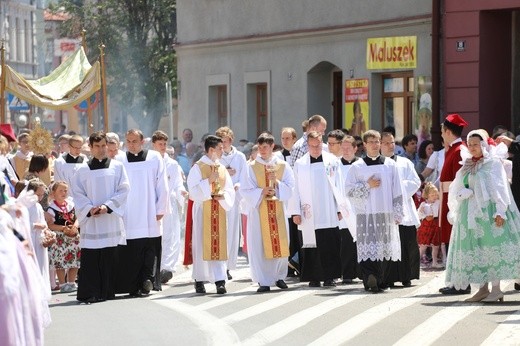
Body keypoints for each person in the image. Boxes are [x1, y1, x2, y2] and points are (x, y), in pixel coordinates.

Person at [445, 129, 520, 302]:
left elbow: (500, 187)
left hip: (490, 211)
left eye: (475, 144)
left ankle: (496, 289)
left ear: (483, 145)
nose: (472, 147)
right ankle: (483, 288)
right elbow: (457, 187)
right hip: (471, 213)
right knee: (477, 249)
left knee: (491, 246)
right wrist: (463, 193)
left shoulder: (492, 163)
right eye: (469, 144)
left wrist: (500, 211)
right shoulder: (467, 163)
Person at [72, 132, 130, 303]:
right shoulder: (82, 169)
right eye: (96, 146)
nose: (101, 149)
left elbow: (124, 189)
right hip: (92, 220)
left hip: (109, 218)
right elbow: (77, 193)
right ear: (90, 148)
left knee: (110, 255)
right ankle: (90, 292)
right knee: (91, 256)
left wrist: (107, 206)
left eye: (103, 145)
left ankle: (108, 291)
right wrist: (90, 209)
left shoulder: (117, 166)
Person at [345, 130, 403, 293]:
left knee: (384, 247)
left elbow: (398, 188)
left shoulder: (390, 165)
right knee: (368, 246)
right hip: (366, 214)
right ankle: (370, 277)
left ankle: (381, 279)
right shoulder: (357, 166)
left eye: (377, 141)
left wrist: (398, 212)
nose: (375, 144)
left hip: (386, 212)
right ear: (364, 144)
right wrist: (367, 185)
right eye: (371, 141)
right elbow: (348, 191)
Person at [288, 130, 345, 287]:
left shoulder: (332, 161)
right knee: (310, 244)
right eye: (312, 146)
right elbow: (295, 190)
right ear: (307, 145)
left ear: (322, 143)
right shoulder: (300, 164)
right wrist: (295, 212)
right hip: (308, 213)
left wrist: (340, 208)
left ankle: (330, 276)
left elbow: (339, 185)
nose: (315, 149)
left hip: (328, 210)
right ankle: (313, 276)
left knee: (329, 244)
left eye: (318, 145)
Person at [240, 132, 295, 292]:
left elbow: (291, 187)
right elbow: (245, 189)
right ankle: (263, 280)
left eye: (266, 147)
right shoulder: (250, 167)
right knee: (260, 244)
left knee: (280, 242)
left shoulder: (282, 165)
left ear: (272, 146)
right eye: (260, 147)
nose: (263, 150)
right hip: (259, 211)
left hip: (277, 210)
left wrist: (276, 182)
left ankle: (279, 277)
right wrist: (260, 192)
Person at [116, 129, 168, 295]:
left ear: (142, 141)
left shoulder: (154, 157)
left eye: (134, 141)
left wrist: (161, 208)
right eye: (128, 141)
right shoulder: (119, 159)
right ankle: (131, 284)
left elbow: (162, 185)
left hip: (149, 211)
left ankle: (148, 279)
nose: (131, 145)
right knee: (130, 249)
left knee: (149, 247)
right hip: (129, 212)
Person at [187, 135, 235, 294]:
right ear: (212, 150)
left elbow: (229, 189)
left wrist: (224, 197)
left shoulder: (222, 168)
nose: (223, 151)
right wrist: (208, 181)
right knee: (201, 244)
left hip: (219, 210)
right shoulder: (198, 167)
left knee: (219, 243)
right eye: (220, 148)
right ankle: (199, 279)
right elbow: (192, 192)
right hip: (203, 211)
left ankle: (220, 280)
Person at [380, 132, 421, 288]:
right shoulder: (377, 163)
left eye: (392, 143)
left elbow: (415, 181)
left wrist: (397, 188)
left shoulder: (404, 162)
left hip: (404, 208)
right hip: (384, 209)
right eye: (386, 143)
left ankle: (407, 276)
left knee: (406, 242)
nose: (390, 146)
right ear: (380, 144)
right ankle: (388, 277)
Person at [437, 113, 470, 295]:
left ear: (448, 131)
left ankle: (461, 283)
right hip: (447, 198)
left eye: (442, 131)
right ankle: (454, 281)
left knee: (455, 242)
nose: (441, 134)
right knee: (450, 241)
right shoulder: (453, 149)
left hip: (453, 201)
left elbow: (461, 180)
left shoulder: (459, 150)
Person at [151, 130, 187, 284]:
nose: (163, 146)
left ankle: (166, 268)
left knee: (169, 235)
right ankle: (154, 267)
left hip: (169, 204)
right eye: (160, 144)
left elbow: (178, 184)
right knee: (155, 236)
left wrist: (182, 191)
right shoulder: (149, 162)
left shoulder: (173, 164)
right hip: (152, 204)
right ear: (154, 145)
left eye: (165, 144)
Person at [215, 126, 248, 280]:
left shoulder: (240, 156)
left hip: (234, 198)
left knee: (232, 232)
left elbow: (244, 176)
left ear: (231, 140)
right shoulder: (216, 156)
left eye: (226, 141)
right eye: (221, 141)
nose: (224, 144)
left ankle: (228, 266)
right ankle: (218, 264)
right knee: (220, 231)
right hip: (219, 198)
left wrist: (238, 185)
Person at [46, 181, 81, 293]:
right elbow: (50, 225)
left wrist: (75, 226)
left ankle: (71, 282)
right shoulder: (51, 208)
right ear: (54, 193)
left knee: (75, 259)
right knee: (60, 261)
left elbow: (78, 217)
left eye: (65, 190)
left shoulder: (71, 204)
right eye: (60, 190)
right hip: (60, 238)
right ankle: (62, 284)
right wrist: (63, 228)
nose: (64, 193)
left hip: (73, 236)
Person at [338, 135, 361, 284]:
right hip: (343, 209)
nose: (346, 151)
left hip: (359, 208)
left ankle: (361, 272)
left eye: (349, 148)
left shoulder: (361, 165)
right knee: (346, 242)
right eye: (343, 148)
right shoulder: (335, 166)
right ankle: (347, 273)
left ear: (355, 148)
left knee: (360, 241)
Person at [417, 182, 442, 268]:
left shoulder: (438, 202)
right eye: (432, 195)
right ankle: (417, 262)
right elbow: (418, 214)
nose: (434, 197)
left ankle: (434, 262)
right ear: (427, 195)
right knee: (423, 246)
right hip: (426, 225)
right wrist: (424, 215)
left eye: (436, 194)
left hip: (435, 224)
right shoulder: (423, 204)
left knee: (435, 245)